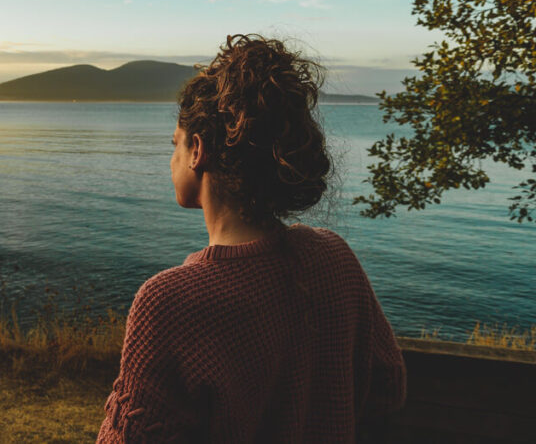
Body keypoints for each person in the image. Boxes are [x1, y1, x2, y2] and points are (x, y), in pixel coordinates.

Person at [97, 34, 406, 443]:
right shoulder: (335, 258)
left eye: (175, 144)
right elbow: (389, 388)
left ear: (197, 152)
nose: (170, 158)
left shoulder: (168, 302)